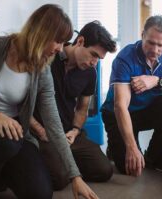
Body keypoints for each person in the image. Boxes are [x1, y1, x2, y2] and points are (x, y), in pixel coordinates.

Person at [0, 4, 98, 199]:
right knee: (9, 140)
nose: (60, 49)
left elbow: (54, 124)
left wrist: (75, 176)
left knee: (41, 193)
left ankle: (1, 170)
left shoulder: (42, 70)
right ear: (40, 31)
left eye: (64, 43)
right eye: (57, 41)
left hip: (16, 134)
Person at [30, 20, 116, 190]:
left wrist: (75, 131)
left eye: (99, 59)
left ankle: (63, 160)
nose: (94, 62)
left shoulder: (90, 73)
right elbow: (22, 103)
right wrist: (40, 131)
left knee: (104, 170)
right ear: (81, 41)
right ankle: (50, 162)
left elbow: (82, 108)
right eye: (93, 55)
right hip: (43, 133)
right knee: (59, 180)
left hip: (69, 133)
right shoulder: (49, 57)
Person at [101, 15, 162, 177]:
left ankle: (153, 156)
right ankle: (115, 147)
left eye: (160, 45)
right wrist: (132, 148)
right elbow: (120, 106)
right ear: (142, 36)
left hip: (145, 110)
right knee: (132, 170)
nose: (155, 50)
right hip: (119, 115)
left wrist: (157, 81)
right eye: (151, 42)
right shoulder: (125, 59)